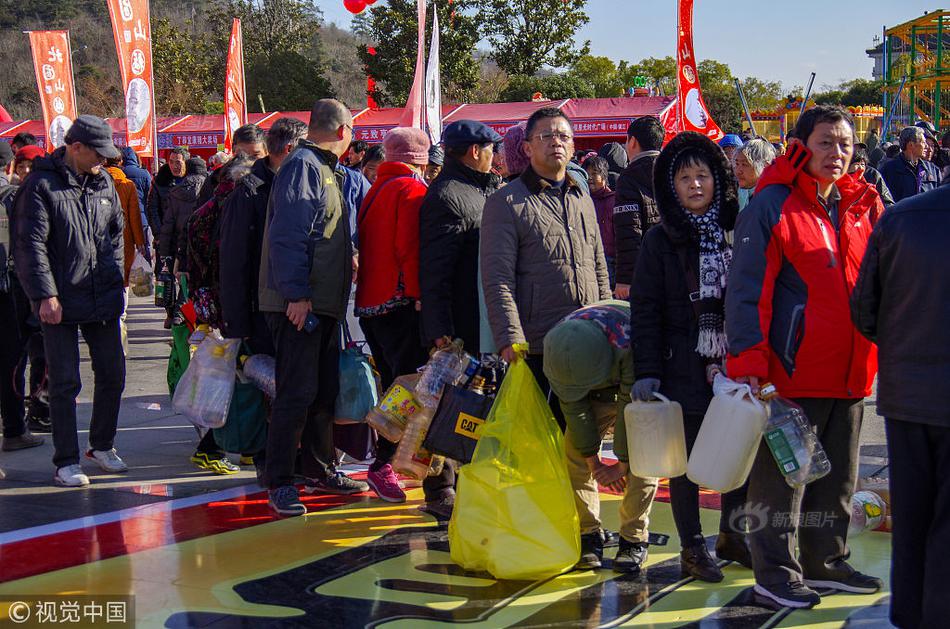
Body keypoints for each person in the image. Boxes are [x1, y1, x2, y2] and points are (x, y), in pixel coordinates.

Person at [726, 105, 884, 608]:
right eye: (825, 142)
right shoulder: (771, 205)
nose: (837, 153)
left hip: (853, 370)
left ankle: (826, 562)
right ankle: (773, 572)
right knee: (781, 485)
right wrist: (750, 364)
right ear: (800, 145)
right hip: (789, 374)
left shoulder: (862, 205)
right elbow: (747, 292)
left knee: (838, 479)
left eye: (844, 143)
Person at [631, 131, 750, 583]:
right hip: (680, 363)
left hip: (734, 363)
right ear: (671, 186)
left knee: (739, 449)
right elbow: (645, 309)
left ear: (718, 180)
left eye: (702, 175)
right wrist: (647, 371)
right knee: (685, 464)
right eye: (685, 178)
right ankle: (692, 547)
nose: (695, 185)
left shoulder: (734, 230)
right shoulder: (659, 240)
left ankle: (734, 537)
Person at [258, 99, 367, 517]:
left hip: (321, 301)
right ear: (342, 131)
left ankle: (320, 468)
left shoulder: (322, 168)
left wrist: (347, 256)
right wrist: (297, 294)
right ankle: (281, 480)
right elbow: (289, 233)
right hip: (302, 302)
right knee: (296, 393)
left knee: (322, 391)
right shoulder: (305, 166)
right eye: (352, 131)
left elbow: (320, 229)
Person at [851, 184, 950, 629]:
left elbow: (864, 308)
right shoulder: (899, 219)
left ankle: (909, 611)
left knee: (911, 513)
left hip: (906, 392)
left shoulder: (899, 219)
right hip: (918, 390)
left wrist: (901, 348)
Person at [13, 115, 129, 487]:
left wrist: (116, 280)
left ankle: (102, 445)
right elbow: (30, 245)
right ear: (75, 147)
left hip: (102, 294)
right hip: (58, 298)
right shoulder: (40, 185)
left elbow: (116, 235)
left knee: (112, 373)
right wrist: (45, 294)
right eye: (98, 153)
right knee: (64, 382)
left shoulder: (105, 183)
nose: (104, 161)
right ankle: (66, 459)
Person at [481, 107, 611, 426]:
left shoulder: (581, 196)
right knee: (544, 436)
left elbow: (598, 263)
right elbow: (497, 278)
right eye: (546, 136)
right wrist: (509, 337)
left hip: (586, 336)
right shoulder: (506, 202)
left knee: (583, 439)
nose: (557, 142)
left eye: (564, 136)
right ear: (527, 148)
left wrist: (607, 317)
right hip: (539, 343)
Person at [544, 300, 658, 573]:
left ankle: (633, 539)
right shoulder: (557, 349)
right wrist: (593, 462)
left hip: (637, 387)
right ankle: (588, 533)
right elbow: (573, 406)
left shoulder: (628, 340)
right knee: (573, 451)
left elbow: (632, 408)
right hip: (597, 382)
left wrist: (623, 463)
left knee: (644, 457)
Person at [354, 127, 432, 506]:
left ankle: (388, 460)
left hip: (370, 304)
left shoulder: (375, 190)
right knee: (408, 388)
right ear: (419, 159)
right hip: (399, 303)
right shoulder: (411, 190)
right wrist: (420, 296)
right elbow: (411, 250)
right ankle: (384, 463)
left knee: (392, 384)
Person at [220, 117, 308, 355]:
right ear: (291, 149)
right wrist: (237, 322)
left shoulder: (300, 183)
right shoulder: (248, 191)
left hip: (294, 306)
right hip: (260, 311)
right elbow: (233, 260)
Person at [420, 120, 502, 354]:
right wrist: (440, 330)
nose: (494, 156)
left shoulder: (478, 188)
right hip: (465, 320)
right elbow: (435, 269)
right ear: (475, 151)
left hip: (483, 314)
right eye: (490, 149)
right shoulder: (447, 195)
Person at [0, 150, 45, 452]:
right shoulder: (14, 197)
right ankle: (15, 429)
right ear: (9, 165)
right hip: (9, 288)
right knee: (11, 360)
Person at [612, 116, 664, 300]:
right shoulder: (677, 171)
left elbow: (629, 232)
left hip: (646, 271)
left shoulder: (629, 178)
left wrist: (625, 279)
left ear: (632, 141)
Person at [103, 155, 146, 356]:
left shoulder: (98, 182)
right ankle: (121, 317)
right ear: (120, 163)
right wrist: (140, 242)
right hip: (125, 239)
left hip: (101, 240)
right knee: (124, 281)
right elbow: (134, 216)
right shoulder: (127, 185)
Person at [159, 158, 208, 280]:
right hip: (205, 245)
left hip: (179, 245)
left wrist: (164, 253)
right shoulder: (210, 189)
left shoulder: (176, 191)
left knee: (183, 284)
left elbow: (168, 225)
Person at [197, 124, 266, 209]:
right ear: (234, 152)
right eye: (242, 155)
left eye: (255, 155)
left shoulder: (275, 180)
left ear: (267, 152)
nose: (248, 161)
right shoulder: (215, 181)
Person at [879, 126, 941, 203]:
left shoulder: (933, 170)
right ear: (911, 145)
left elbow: (940, 199)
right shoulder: (888, 170)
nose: (926, 146)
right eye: (923, 142)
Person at [582, 156, 617, 286]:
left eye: (594, 173)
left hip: (611, 261)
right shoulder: (582, 200)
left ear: (603, 176)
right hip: (589, 260)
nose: (590, 178)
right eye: (587, 174)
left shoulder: (614, 200)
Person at [147, 147, 189, 247]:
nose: (174, 166)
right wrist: (159, 235)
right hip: (165, 235)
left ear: (185, 162)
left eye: (178, 162)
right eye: (171, 162)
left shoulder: (192, 181)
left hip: (186, 236)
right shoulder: (160, 181)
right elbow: (152, 209)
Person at [120, 147, 152, 251]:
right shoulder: (144, 173)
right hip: (142, 217)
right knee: (144, 249)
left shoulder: (120, 173)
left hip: (124, 218)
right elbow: (149, 196)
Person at [732, 137, 776, 211]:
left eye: (744, 164)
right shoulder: (735, 192)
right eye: (737, 164)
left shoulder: (772, 200)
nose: (738, 171)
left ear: (765, 166)